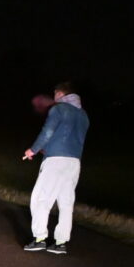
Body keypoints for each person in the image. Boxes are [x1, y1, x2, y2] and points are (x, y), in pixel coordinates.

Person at [22, 82, 89, 254]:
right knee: (66, 203)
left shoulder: (58, 109)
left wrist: (33, 149)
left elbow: (48, 131)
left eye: (55, 94)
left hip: (55, 161)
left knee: (41, 199)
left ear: (60, 93)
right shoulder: (83, 115)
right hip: (74, 162)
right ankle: (60, 243)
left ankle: (39, 239)